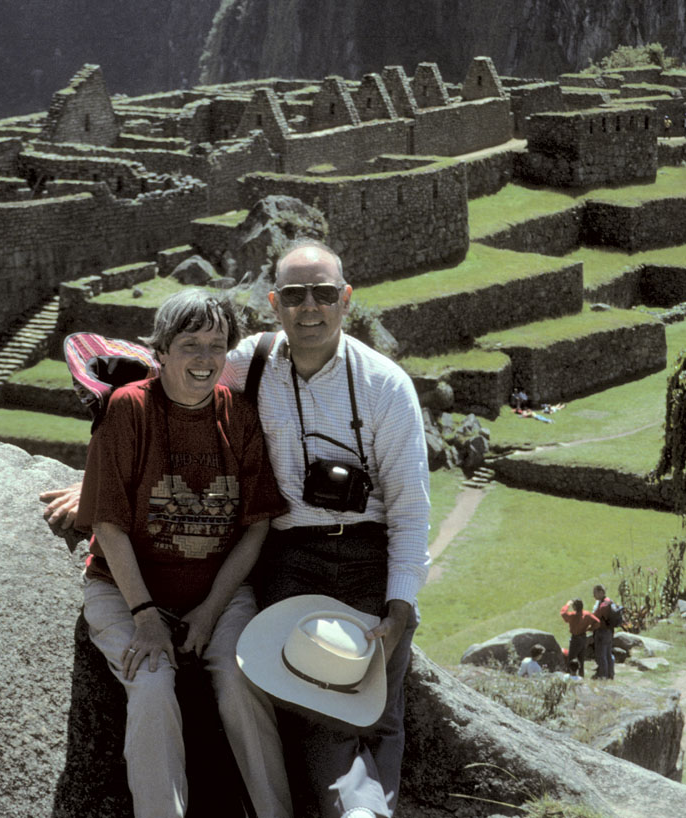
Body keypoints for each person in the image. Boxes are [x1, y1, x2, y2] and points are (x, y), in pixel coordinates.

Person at [43, 241, 430, 818]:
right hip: (281, 560)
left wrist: (401, 606)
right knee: (270, 701)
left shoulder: (380, 386)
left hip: (348, 560)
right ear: (274, 303)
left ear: (345, 300)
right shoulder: (251, 361)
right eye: (294, 295)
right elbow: (169, 382)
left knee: (356, 704)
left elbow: (410, 507)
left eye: (324, 294)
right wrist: (98, 484)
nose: (310, 308)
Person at [75, 288, 292, 818]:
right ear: (162, 352)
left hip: (217, 592)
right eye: (189, 344)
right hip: (124, 591)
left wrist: (213, 609)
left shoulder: (237, 417)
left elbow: (256, 526)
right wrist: (145, 615)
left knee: (243, 678)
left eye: (216, 345)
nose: (203, 359)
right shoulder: (129, 410)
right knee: (151, 685)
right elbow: (108, 523)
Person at [560, 598, 599, 678]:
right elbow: (597, 622)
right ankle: (581, 677)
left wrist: (567, 604)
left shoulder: (573, 615)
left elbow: (563, 613)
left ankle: (570, 677)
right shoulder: (587, 614)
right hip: (583, 638)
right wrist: (589, 629)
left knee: (571, 659)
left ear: (574, 607)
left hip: (575, 639)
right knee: (581, 659)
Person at [591, 584, 617, 680]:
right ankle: (610, 674)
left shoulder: (603, 605)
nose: (593, 595)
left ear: (601, 592)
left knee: (601, 655)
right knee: (608, 654)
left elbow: (595, 616)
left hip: (602, 632)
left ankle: (603, 676)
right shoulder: (610, 601)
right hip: (610, 631)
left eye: (595, 593)